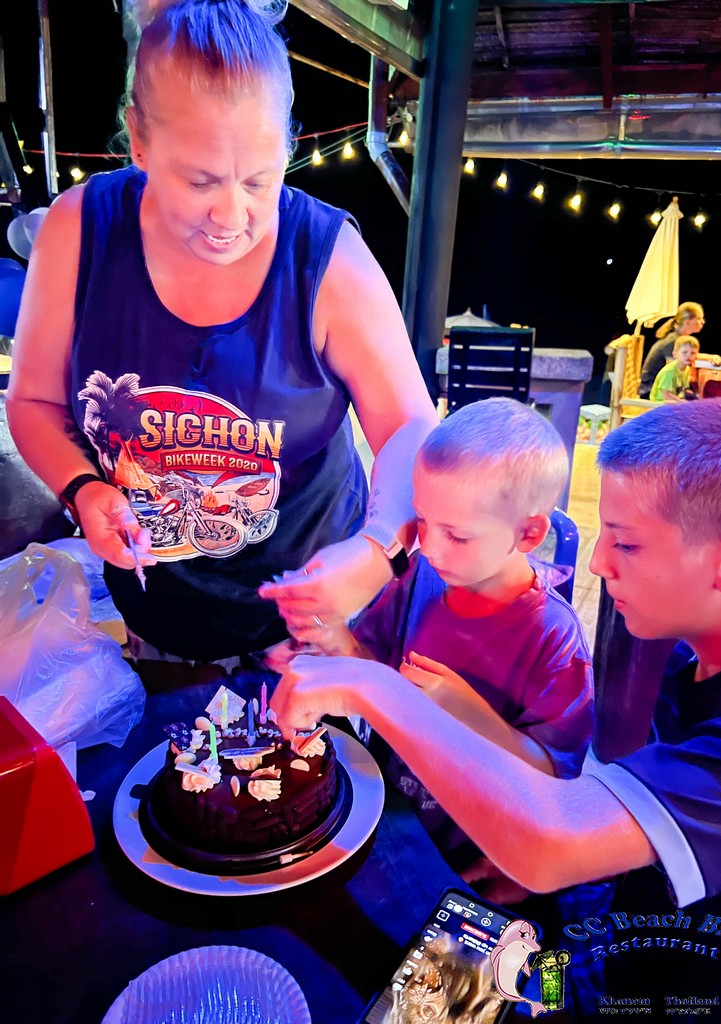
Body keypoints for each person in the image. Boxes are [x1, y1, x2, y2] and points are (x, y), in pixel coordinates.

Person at [273, 396, 721, 1017]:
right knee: (414, 1002)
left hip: (690, 995)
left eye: (626, 544)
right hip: (599, 926)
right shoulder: (663, 642)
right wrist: (550, 863)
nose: (596, 563)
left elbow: (554, 830)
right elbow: (590, 816)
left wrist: (372, 686)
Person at [5, 0, 437, 668]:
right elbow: (33, 401)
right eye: (199, 181)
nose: (232, 216)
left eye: (260, 181)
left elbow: (412, 426)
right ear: (139, 139)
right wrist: (83, 490)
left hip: (315, 625)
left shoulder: (327, 259)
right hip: (155, 610)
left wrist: (378, 551)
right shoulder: (78, 230)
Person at [296, 397, 593, 897]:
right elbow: (373, 673)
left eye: (456, 535)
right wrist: (331, 635)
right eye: (422, 522)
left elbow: (553, 779)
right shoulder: (418, 577)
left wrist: (460, 706)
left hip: (477, 853)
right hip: (389, 821)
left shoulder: (554, 638)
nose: (429, 548)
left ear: (529, 533)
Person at [638, 300, 715, 399]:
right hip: (652, 393)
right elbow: (669, 379)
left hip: (661, 389)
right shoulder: (672, 342)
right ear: (687, 322)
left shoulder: (679, 339)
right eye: (699, 318)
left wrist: (710, 357)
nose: (703, 322)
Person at [649, 334, 699, 402]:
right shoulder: (669, 371)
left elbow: (684, 390)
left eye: (692, 353)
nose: (688, 356)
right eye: (684, 352)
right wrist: (683, 403)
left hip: (673, 403)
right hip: (659, 404)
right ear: (675, 354)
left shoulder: (687, 369)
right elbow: (666, 395)